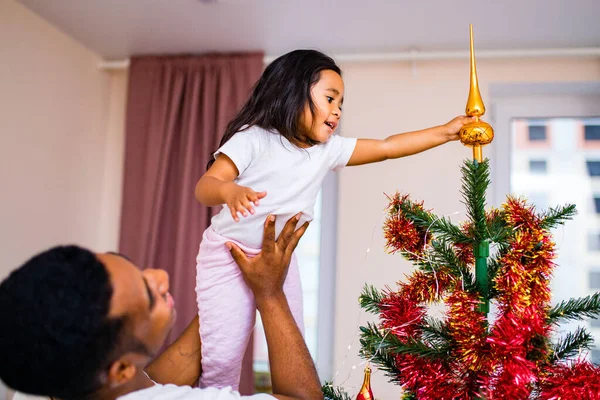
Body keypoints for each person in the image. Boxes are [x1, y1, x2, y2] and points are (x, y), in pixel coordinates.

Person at [194, 48, 474, 389]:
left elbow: (386, 147)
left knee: (290, 340)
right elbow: (206, 185)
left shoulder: (327, 150)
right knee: (222, 358)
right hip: (227, 255)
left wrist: (445, 132)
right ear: (292, 93)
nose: (337, 110)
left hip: (280, 258)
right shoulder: (254, 138)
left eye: (340, 103)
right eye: (330, 98)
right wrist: (229, 192)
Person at [0, 215, 322, 400]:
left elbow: (147, 383)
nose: (160, 276)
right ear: (120, 369)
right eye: (149, 295)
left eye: (135, 268)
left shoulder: (41, 382)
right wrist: (269, 294)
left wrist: (229, 292)